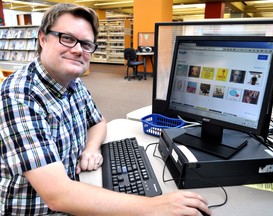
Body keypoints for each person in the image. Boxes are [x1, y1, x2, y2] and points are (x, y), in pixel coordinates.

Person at [0, 3, 210, 216]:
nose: (77, 50)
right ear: (43, 39)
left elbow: (98, 122)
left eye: (86, 44)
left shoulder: (73, 83)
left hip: (77, 187)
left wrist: (91, 147)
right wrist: (156, 207)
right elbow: (58, 196)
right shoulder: (19, 96)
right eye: (67, 38)